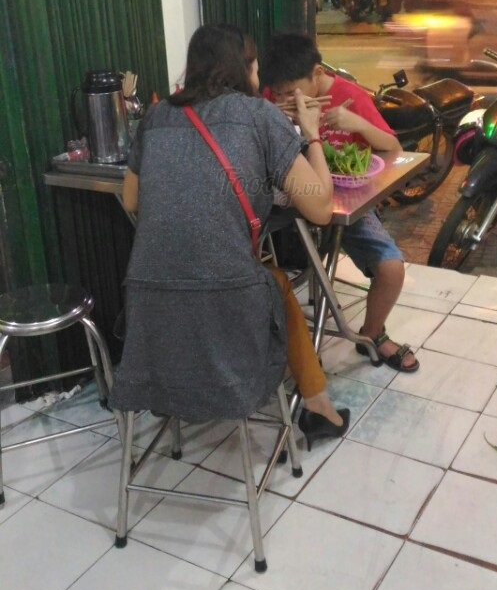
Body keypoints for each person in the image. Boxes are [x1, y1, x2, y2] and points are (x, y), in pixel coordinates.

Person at [110, 25, 349, 449]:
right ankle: (318, 406)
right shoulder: (259, 115)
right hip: (227, 300)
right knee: (274, 283)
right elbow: (320, 208)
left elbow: (130, 199)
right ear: (244, 68)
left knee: (259, 278)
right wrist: (311, 132)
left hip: (150, 305)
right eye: (254, 65)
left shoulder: (156, 116)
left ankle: (305, 402)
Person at [261, 33, 419, 373]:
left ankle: (372, 334)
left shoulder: (349, 97)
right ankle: (285, 343)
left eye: (291, 92)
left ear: (317, 73)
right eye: (277, 94)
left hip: (343, 200)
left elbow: (393, 149)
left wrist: (356, 123)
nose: (285, 100)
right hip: (286, 200)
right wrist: (270, 112)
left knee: (391, 268)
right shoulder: (269, 101)